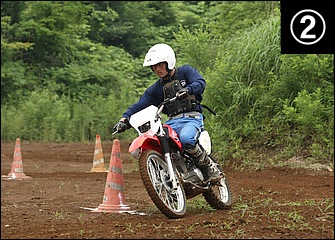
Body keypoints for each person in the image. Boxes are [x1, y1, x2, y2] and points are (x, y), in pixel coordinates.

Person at [113, 43, 221, 182]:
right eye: (154, 66)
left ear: (169, 62)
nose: (157, 69)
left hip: (192, 118)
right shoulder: (156, 89)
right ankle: (169, 177)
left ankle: (209, 169)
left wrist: (188, 90)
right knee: (158, 142)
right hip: (171, 122)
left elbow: (200, 82)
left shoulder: (185, 71)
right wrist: (124, 119)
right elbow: (139, 105)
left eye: (160, 64)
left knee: (187, 139)